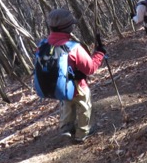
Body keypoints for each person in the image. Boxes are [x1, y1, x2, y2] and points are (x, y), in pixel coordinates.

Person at [43, 8, 106, 144]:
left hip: (57, 85)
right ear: (68, 28)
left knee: (67, 103)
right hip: (77, 84)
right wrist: (100, 53)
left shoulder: (44, 45)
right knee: (84, 105)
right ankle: (83, 132)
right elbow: (90, 68)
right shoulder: (73, 47)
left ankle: (66, 127)